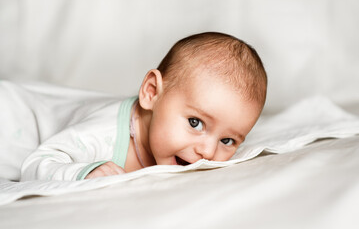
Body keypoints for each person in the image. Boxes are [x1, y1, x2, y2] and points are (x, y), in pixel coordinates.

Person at [17, 32, 267, 181]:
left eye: (227, 141)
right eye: (195, 122)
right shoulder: (101, 135)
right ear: (152, 93)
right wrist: (84, 172)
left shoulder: (185, 151)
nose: (208, 152)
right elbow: (34, 164)